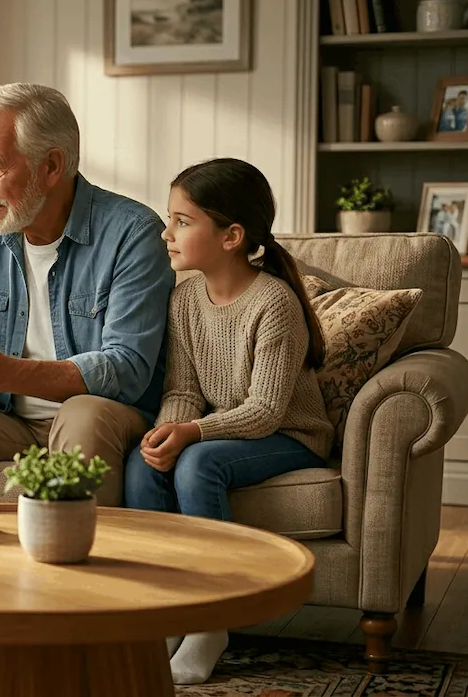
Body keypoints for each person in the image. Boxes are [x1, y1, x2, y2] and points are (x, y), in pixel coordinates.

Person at [0, 82, 174, 507]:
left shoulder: (133, 233)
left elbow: (126, 370)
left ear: (51, 166)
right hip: (7, 419)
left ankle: (71, 564)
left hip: (104, 418)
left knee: (82, 413)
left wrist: (6, 373)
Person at [125, 158, 334, 685]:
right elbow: (183, 390)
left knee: (197, 465)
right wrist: (167, 430)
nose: (166, 233)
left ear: (231, 236)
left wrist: (192, 433)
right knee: (143, 463)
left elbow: (265, 412)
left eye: (182, 221)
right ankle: (167, 609)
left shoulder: (274, 303)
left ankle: (212, 620)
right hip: (223, 429)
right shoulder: (186, 298)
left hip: (289, 435)